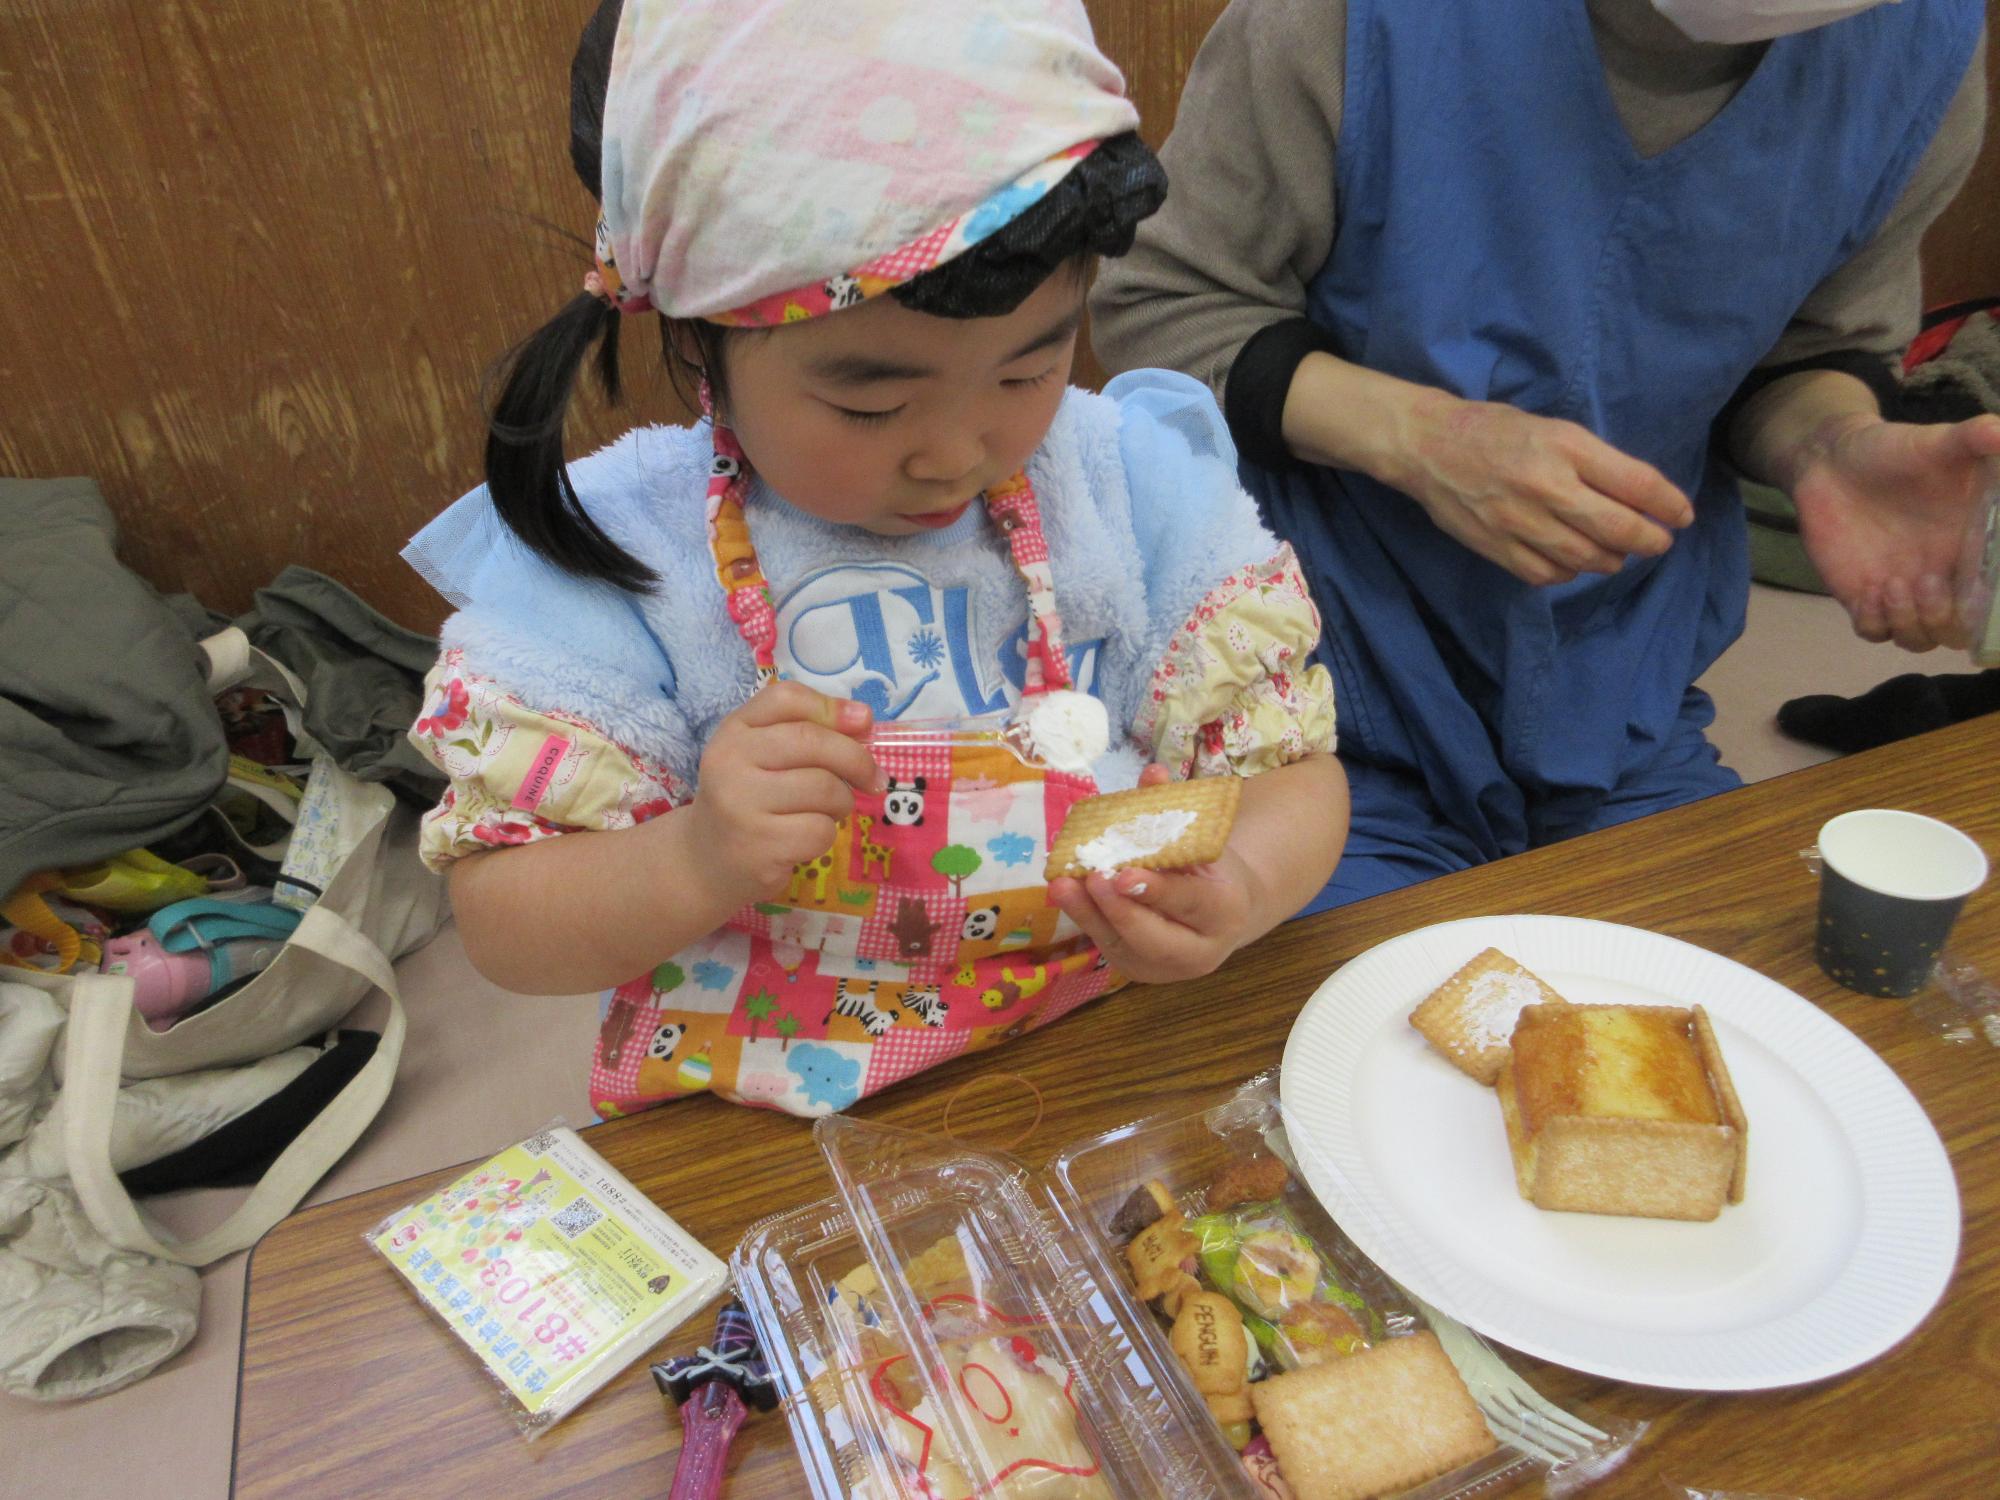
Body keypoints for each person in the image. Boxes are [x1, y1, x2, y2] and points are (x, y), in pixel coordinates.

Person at [402, 0, 1346, 1119]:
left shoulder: (1125, 482)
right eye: (872, 401)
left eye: (1025, 372)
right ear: (702, 341)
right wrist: (696, 857)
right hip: (769, 1120)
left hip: (1107, 1053)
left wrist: (1240, 886)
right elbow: (505, 923)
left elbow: (1293, 778)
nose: (954, 451)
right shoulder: (623, 552)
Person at [1091, 0, 1998, 912]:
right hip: (1327, 681)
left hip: (1618, 684)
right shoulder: (1348, 25)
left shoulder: (1920, 50)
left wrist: (1832, 445)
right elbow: (1164, 302)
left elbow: (1804, 349)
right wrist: (1417, 437)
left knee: (1716, 986)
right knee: (1328, 1014)